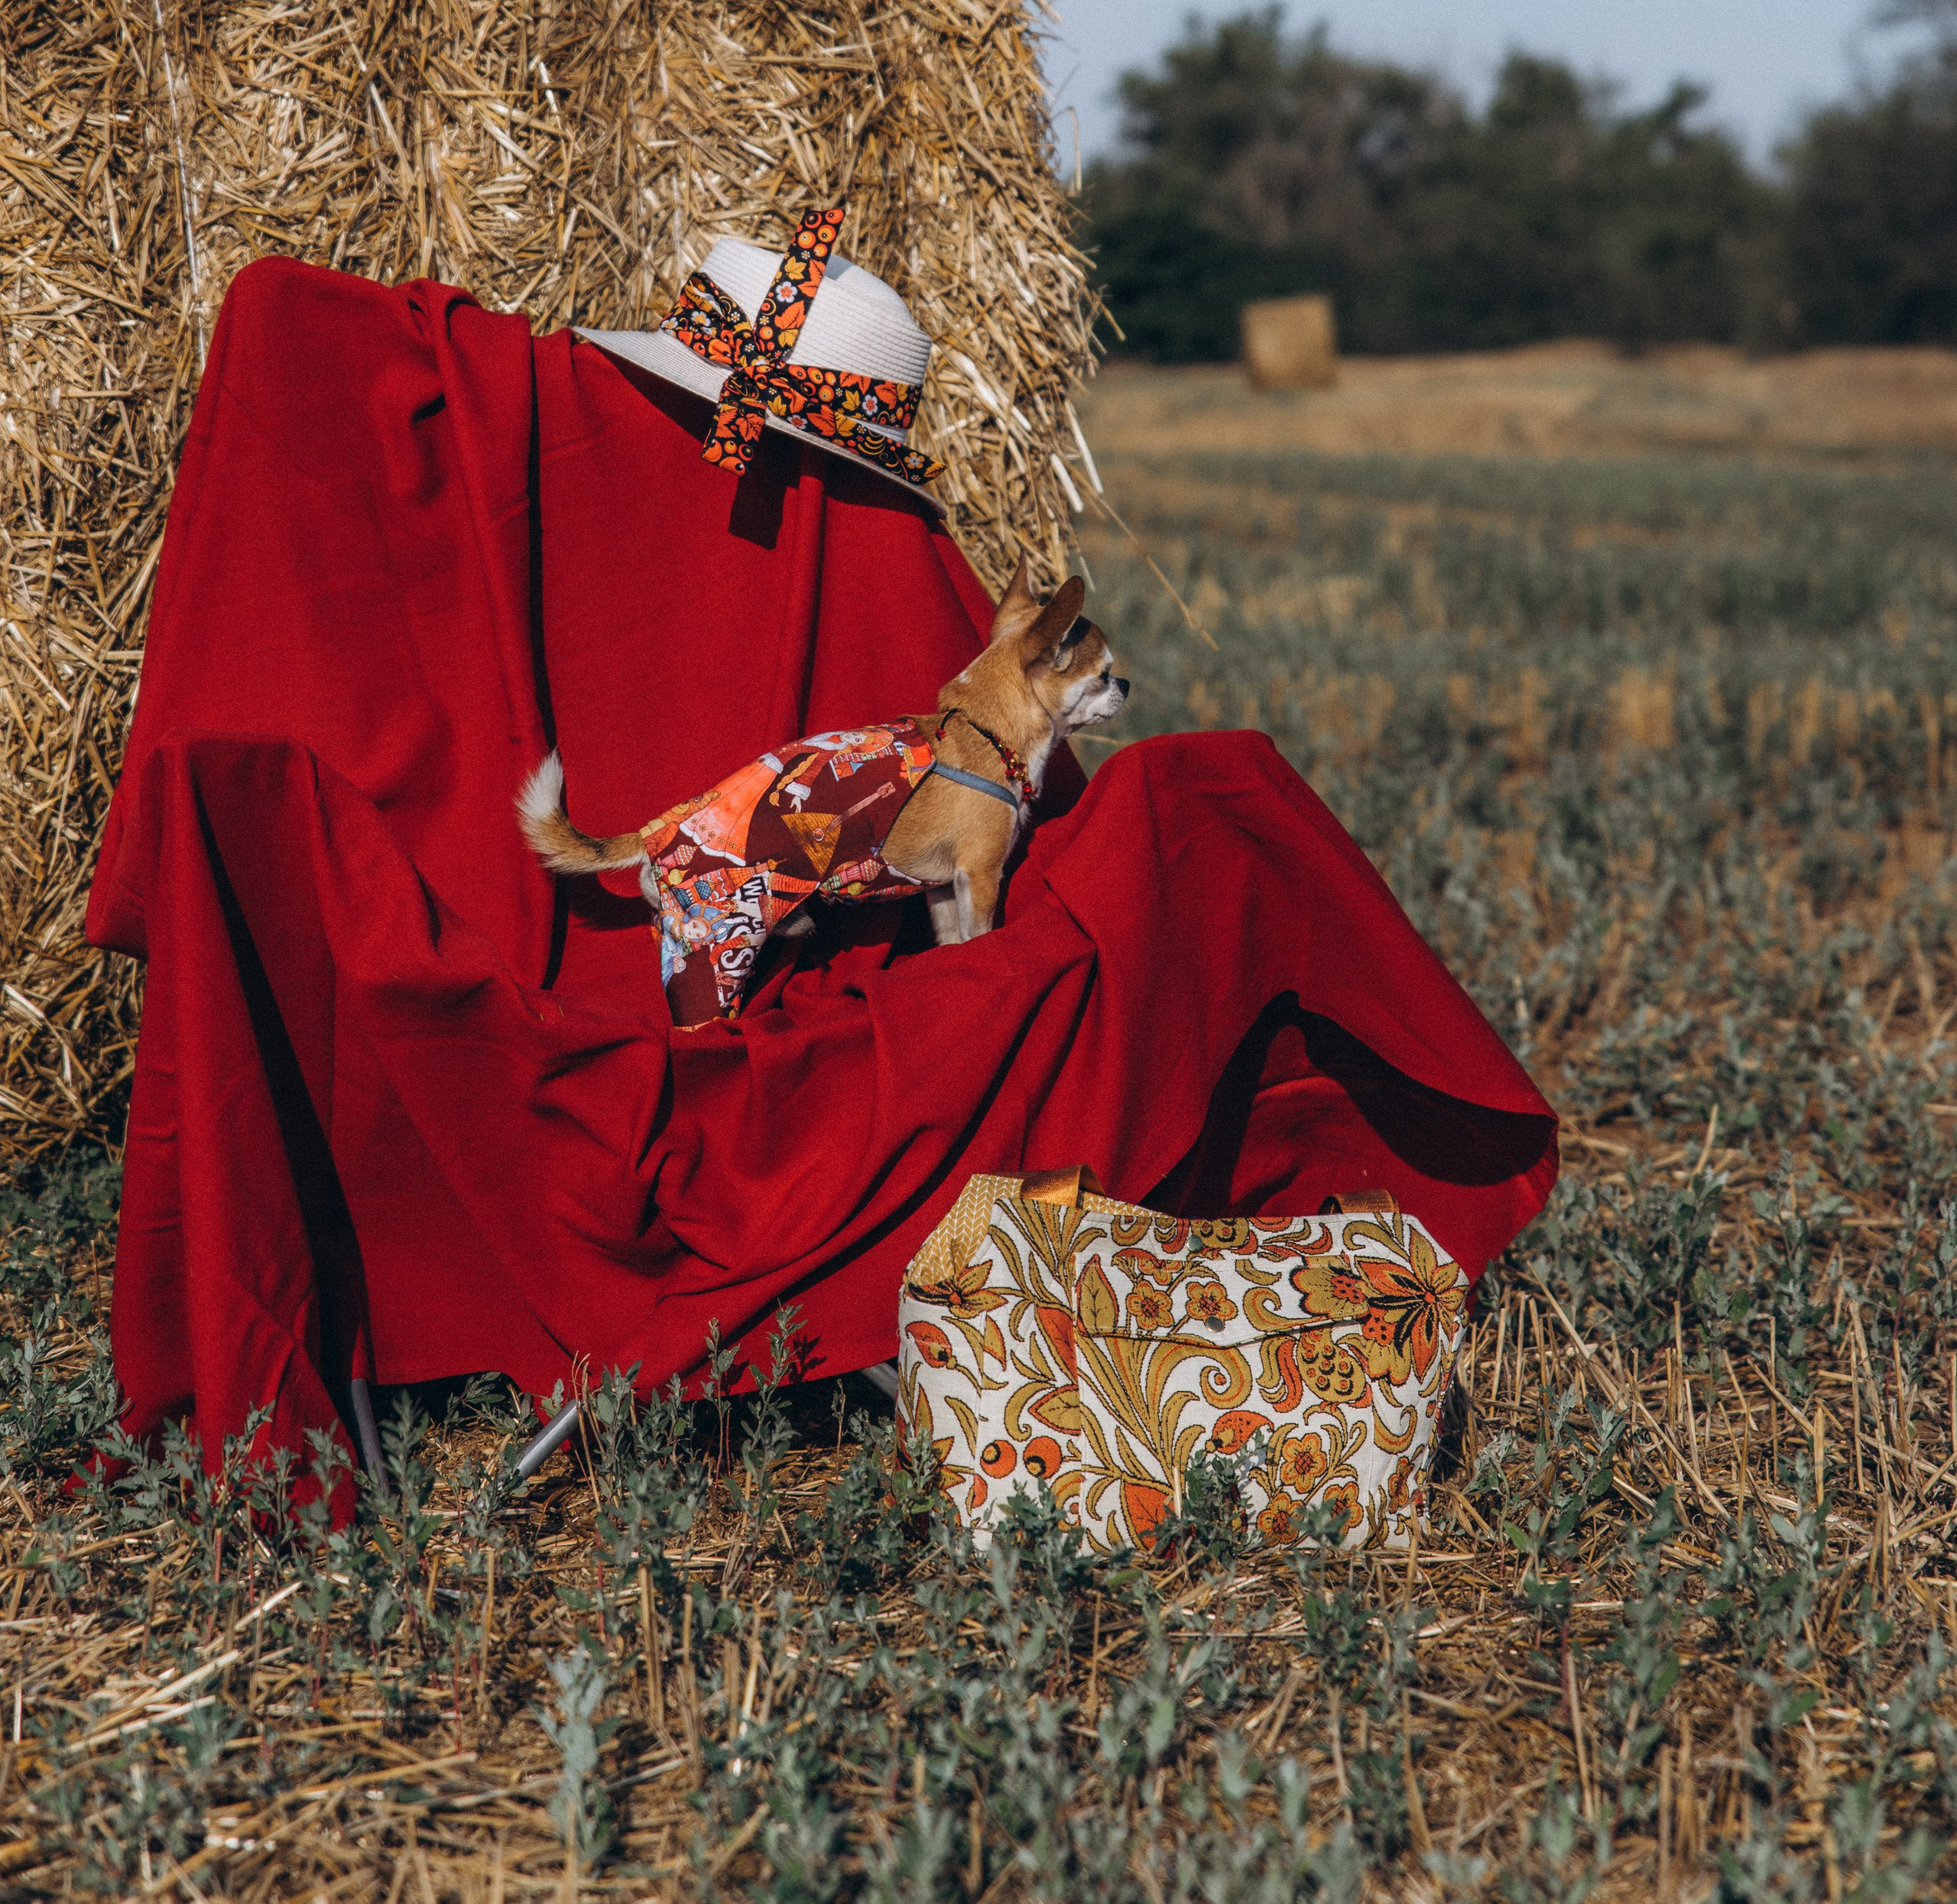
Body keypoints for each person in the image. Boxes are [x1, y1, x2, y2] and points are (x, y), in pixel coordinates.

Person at [88, 206, 1556, 1489]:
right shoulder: (849, 539)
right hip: (683, 970)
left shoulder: (778, 525)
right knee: (1204, 826)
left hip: (671, 957)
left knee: (1208, 807)